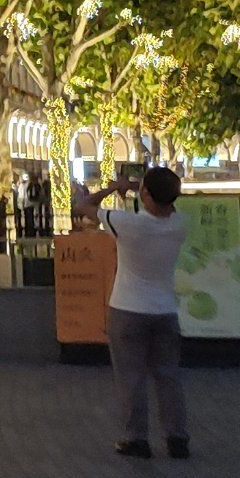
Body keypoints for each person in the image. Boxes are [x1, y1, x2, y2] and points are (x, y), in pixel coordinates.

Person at [82, 164, 191, 457]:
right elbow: (169, 203)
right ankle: (177, 438)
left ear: (145, 194)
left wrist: (115, 187)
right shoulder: (180, 225)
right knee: (168, 376)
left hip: (127, 309)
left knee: (130, 377)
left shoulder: (127, 224)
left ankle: (136, 439)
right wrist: (139, 189)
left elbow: (84, 205)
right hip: (166, 310)